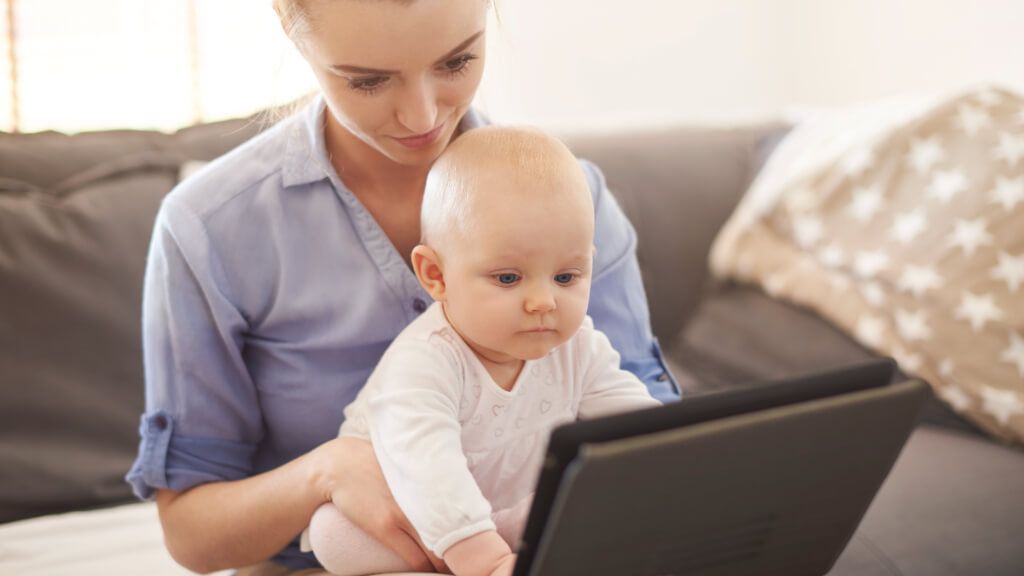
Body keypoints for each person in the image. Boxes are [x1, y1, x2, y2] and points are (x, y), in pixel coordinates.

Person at [126, 0, 679, 573]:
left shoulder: (574, 204)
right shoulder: (211, 228)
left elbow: (649, 443)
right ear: (290, 28)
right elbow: (194, 538)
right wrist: (329, 470)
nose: (421, 117)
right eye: (367, 81)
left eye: (457, 62)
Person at [304, 126, 662, 576]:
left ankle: (512, 542)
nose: (543, 302)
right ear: (436, 276)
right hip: (406, 511)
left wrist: (677, 467)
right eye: (509, 278)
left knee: (591, 491)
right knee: (335, 535)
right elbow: (427, 468)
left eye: (567, 277)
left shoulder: (577, 346)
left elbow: (639, 425)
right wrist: (485, 562)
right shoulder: (426, 363)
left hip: (507, 506)